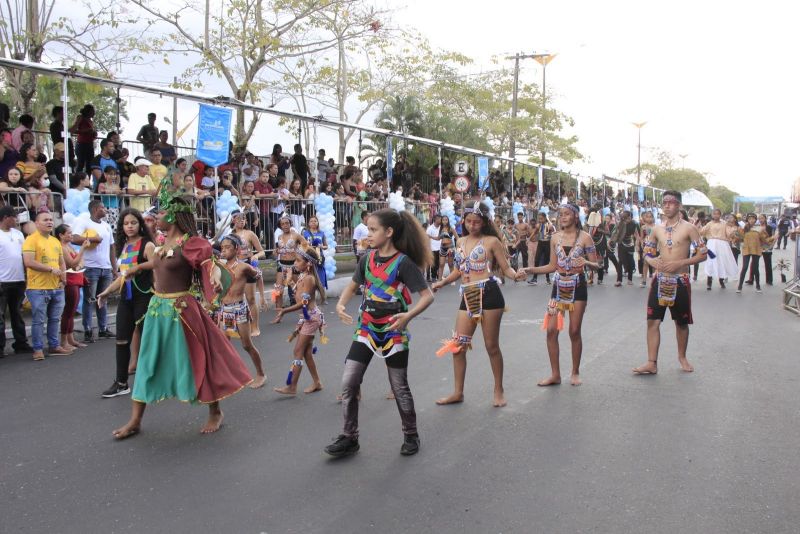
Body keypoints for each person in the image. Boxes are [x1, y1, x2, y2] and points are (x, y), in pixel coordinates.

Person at [111, 194, 252, 440]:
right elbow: (151, 268)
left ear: (175, 216)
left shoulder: (191, 244)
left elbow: (209, 266)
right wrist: (129, 273)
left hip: (182, 310)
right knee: (147, 363)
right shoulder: (160, 243)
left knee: (199, 359)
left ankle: (215, 411)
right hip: (157, 310)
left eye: (162, 213)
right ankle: (135, 420)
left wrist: (215, 278)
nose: (156, 217)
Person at [325, 208, 433, 457]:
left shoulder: (403, 263)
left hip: (393, 331)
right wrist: (341, 304)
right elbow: (352, 287)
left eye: (373, 230)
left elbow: (427, 296)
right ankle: (349, 437)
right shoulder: (366, 259)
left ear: (389, 232)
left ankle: (411, 434)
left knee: (399, 386)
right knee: (349, 383)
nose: (368, 234)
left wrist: (408, 316)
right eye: (368, 228)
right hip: (366, 329)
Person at [432, 201, 521, 408]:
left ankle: (498, 390)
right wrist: (443, 282)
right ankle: (457, 392)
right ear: (464, 221)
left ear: (484, 222)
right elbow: (459, 269)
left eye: (477, 222)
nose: (472, 225)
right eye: (469, 221)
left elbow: (505, 268)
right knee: (458, 346)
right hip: (468, 295)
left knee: (491, 346)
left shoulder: (491, 241)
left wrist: (516, 276)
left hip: (490, 294)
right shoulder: (460, 241)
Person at [521, 204, 600, 386]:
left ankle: (575, 372)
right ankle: (555, 375)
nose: (562, 217)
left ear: (575, 216)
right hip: (558, 287)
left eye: (566, 214)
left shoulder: (585, 238)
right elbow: (551, 265)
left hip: (577, 286)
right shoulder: (555, 237)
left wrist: (586, 262)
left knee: (574, 331)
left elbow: (597, 265)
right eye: (560, 214)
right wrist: (530, 269)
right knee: (551, 331)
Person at [633, 191, 707, 375]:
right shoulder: (657, 229)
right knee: (652, 321)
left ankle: (682, 357)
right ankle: (651, 362)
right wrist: (652, 261)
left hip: (680, 280)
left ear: (679, 206)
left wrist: (680, 263)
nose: (667, 205)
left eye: (671, 202)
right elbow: (647, 252)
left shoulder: (689, 228)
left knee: (681, 323)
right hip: (660, 279)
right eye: (664, 202)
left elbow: (703, 254)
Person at [213, 234, 267, 389]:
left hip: (239, 309)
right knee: (223, 345)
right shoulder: (219, 267)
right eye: (222, 247)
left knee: (246, 345)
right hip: (225, 310)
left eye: (228, 247)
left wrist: (262, 297)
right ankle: (229, 376)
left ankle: (261, 374)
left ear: (236, 249)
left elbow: (258, 275)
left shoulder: (243, 266)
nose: (224, 250)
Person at [273, 244, 327, 395]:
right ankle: (317, 382)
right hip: (308, 317)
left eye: (298, 261)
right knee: (306, 352)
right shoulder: (303, 276)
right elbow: (298, 294)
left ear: (308, 264)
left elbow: (301, 303)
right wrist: (290, 280)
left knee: (298, 350)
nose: (295, 263)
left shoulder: (309, 279)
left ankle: (292, 386)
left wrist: (284, 310)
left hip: (311, 318)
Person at [22, 210, 72, 361]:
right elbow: (29, 262)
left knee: (55, 318)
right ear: (36, 223)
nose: (49, 222)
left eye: (51, 220)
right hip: (38, 288)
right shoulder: (31, 240)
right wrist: (50, 269)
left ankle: (54, 345)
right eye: (45, 220)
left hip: (56, 287)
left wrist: (63, 277)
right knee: (38, 320)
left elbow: (61, 261)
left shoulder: (55, 241)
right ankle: (38, 349)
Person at [72, 200, 117, 343]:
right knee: (89, 300)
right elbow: (74, 238)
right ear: (96, 209)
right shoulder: (85, 222)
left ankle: (103, 328)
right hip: (91, 267)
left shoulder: (106, 226)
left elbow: (112, 247)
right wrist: (93, 238)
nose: (106, 210)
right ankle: (88, 329)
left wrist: (114, 268)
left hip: (106, 267)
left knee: (103, 299)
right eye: (103, 208)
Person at [0, 207, 33, 356]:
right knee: (0, 316)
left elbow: (24, 255)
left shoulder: (19, 234)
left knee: (17, 314)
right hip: (2, 280)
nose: (17, 220)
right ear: (6, 217)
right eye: (14, 217)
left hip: (18, 279)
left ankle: (20, 343)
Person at [231, 211, 267, 336]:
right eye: (238, 218)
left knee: (251, 298)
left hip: (248, 265)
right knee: (235, 298)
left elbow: (262, 252)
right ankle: (237, 326)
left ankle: (255, 327)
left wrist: (256, 256)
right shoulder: (230, 235)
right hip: (235, 267)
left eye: (244, 219)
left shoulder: (250, 234)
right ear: (233, 220)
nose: (241, 220)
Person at [54, 224, 89, 352]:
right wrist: (83, 249)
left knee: (72, 311)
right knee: (68, 312)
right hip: (70, 280)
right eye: (68, 233)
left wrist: (78, 264)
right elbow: (73, 264)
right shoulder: (62, 247)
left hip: (76, 278)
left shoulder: (68, 246)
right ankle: (64, 341)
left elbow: (80, 263)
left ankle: (71, 338)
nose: (71, 235)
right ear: (61, 235)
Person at [272, 216, 304, 318]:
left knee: (297, 290)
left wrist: (298, 253)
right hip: (281, 265)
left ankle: (302, 314)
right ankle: (278, 315)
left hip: (293, 266)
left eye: (287, 223)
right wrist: (276, 251)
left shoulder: (296, 236)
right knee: (278, 291)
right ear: (280, 226)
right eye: (283, 224)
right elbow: (277, 250)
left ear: (290, 224)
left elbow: (306, 245)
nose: (285, 225)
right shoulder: (279, 237)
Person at [700, 208, 739, 290]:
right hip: (711, 244)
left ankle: (721, 280)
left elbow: (729, 234)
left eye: (717, 214)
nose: (716, 215)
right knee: (711, 261)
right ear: (712, 215)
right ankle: (709, 282)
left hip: (722, 244)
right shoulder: (709, 223)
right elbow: (702, 232)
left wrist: (733, 229)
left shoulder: (724, 223)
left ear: (720, 215)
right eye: (714, 214)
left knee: (721, 262)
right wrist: (702, 226)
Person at [737, 213, 767, 293]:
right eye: (750, 219)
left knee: (755, 268)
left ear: (755, 220)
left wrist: (773, 238)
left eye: (753, 218)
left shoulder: (759, 229)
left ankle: (758, 286)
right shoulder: (744, 228)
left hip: (756, 250)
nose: (751, 220)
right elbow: (739, 238)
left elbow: (764, 239)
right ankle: (740, 286)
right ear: (747, 220)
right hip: (746, 249)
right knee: (744, 267)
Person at [611, 210, 638, 286]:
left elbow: (636, 234)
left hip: (630, 244)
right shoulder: (620, 223)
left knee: (630, 261)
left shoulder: (634, 224)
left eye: (626, 218)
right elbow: (615, 232)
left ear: (630, 217)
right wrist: (611, 241)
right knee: (620, 261)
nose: (625, 220)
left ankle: (630, 279)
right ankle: (619, 280)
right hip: (621, 244)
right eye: (624, 218)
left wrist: (639, 244)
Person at [301, 215, 328, 290]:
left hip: (319, 257)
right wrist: (307, 245)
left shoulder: (321, 233)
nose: (313, 223)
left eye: (315, 221)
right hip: (309, 257)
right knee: (310, 275)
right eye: (311, 221)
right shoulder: (305, 233)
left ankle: (322, 296)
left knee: (320, 276)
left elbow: (326, 246)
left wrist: (322, 247)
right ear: (308, 223)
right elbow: (301, 245)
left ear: (318, 223)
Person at [70, 105, 96, 175]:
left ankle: (87, 181)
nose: (94, 113)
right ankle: (77, 181)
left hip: (89, 144)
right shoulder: (80, 118)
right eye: (93, 111)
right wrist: (85, 131)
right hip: (81, 144)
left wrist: (93, 133)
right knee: (80, 164)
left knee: (89, 165)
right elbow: (73, 130)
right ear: (89, 111)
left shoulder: (90, 120)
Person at [531, 211, 554, 285]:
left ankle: (547, 278)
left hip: (547, 243)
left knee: (546, 261)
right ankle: (534, 278)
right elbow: (535, 232)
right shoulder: (539, 225)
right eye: (539, 219)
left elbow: (554, 233)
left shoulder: (549, 225)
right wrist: (529, 238)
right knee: (536, 260)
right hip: (540, 243)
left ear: (545, 218)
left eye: (541, 219)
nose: (540, 220)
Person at [437, 215, 457, 281]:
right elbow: (438, 238)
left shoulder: (451, 228)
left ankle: (452, 279)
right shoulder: (440, 229)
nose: (444, 221)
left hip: (450, 248)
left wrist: (458, 247)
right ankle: (439, 280)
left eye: (446, 220)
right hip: (442, 248)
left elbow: (457, 238)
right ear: (441, 221)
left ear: (448, 221)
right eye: (443, 220)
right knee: (441, 264)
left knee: (450, 264)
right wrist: (430, 236)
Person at [426, 214, 441, 282]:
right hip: (433, 248)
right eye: (438, 219)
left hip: (440, 248)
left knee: (439, 263)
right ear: (435, 220)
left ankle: (438, 275)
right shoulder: (430, 228)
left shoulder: (441, 227)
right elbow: (426, 238)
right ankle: (433, 276)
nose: (440, 220)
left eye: (440, 219)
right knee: (434, 264)